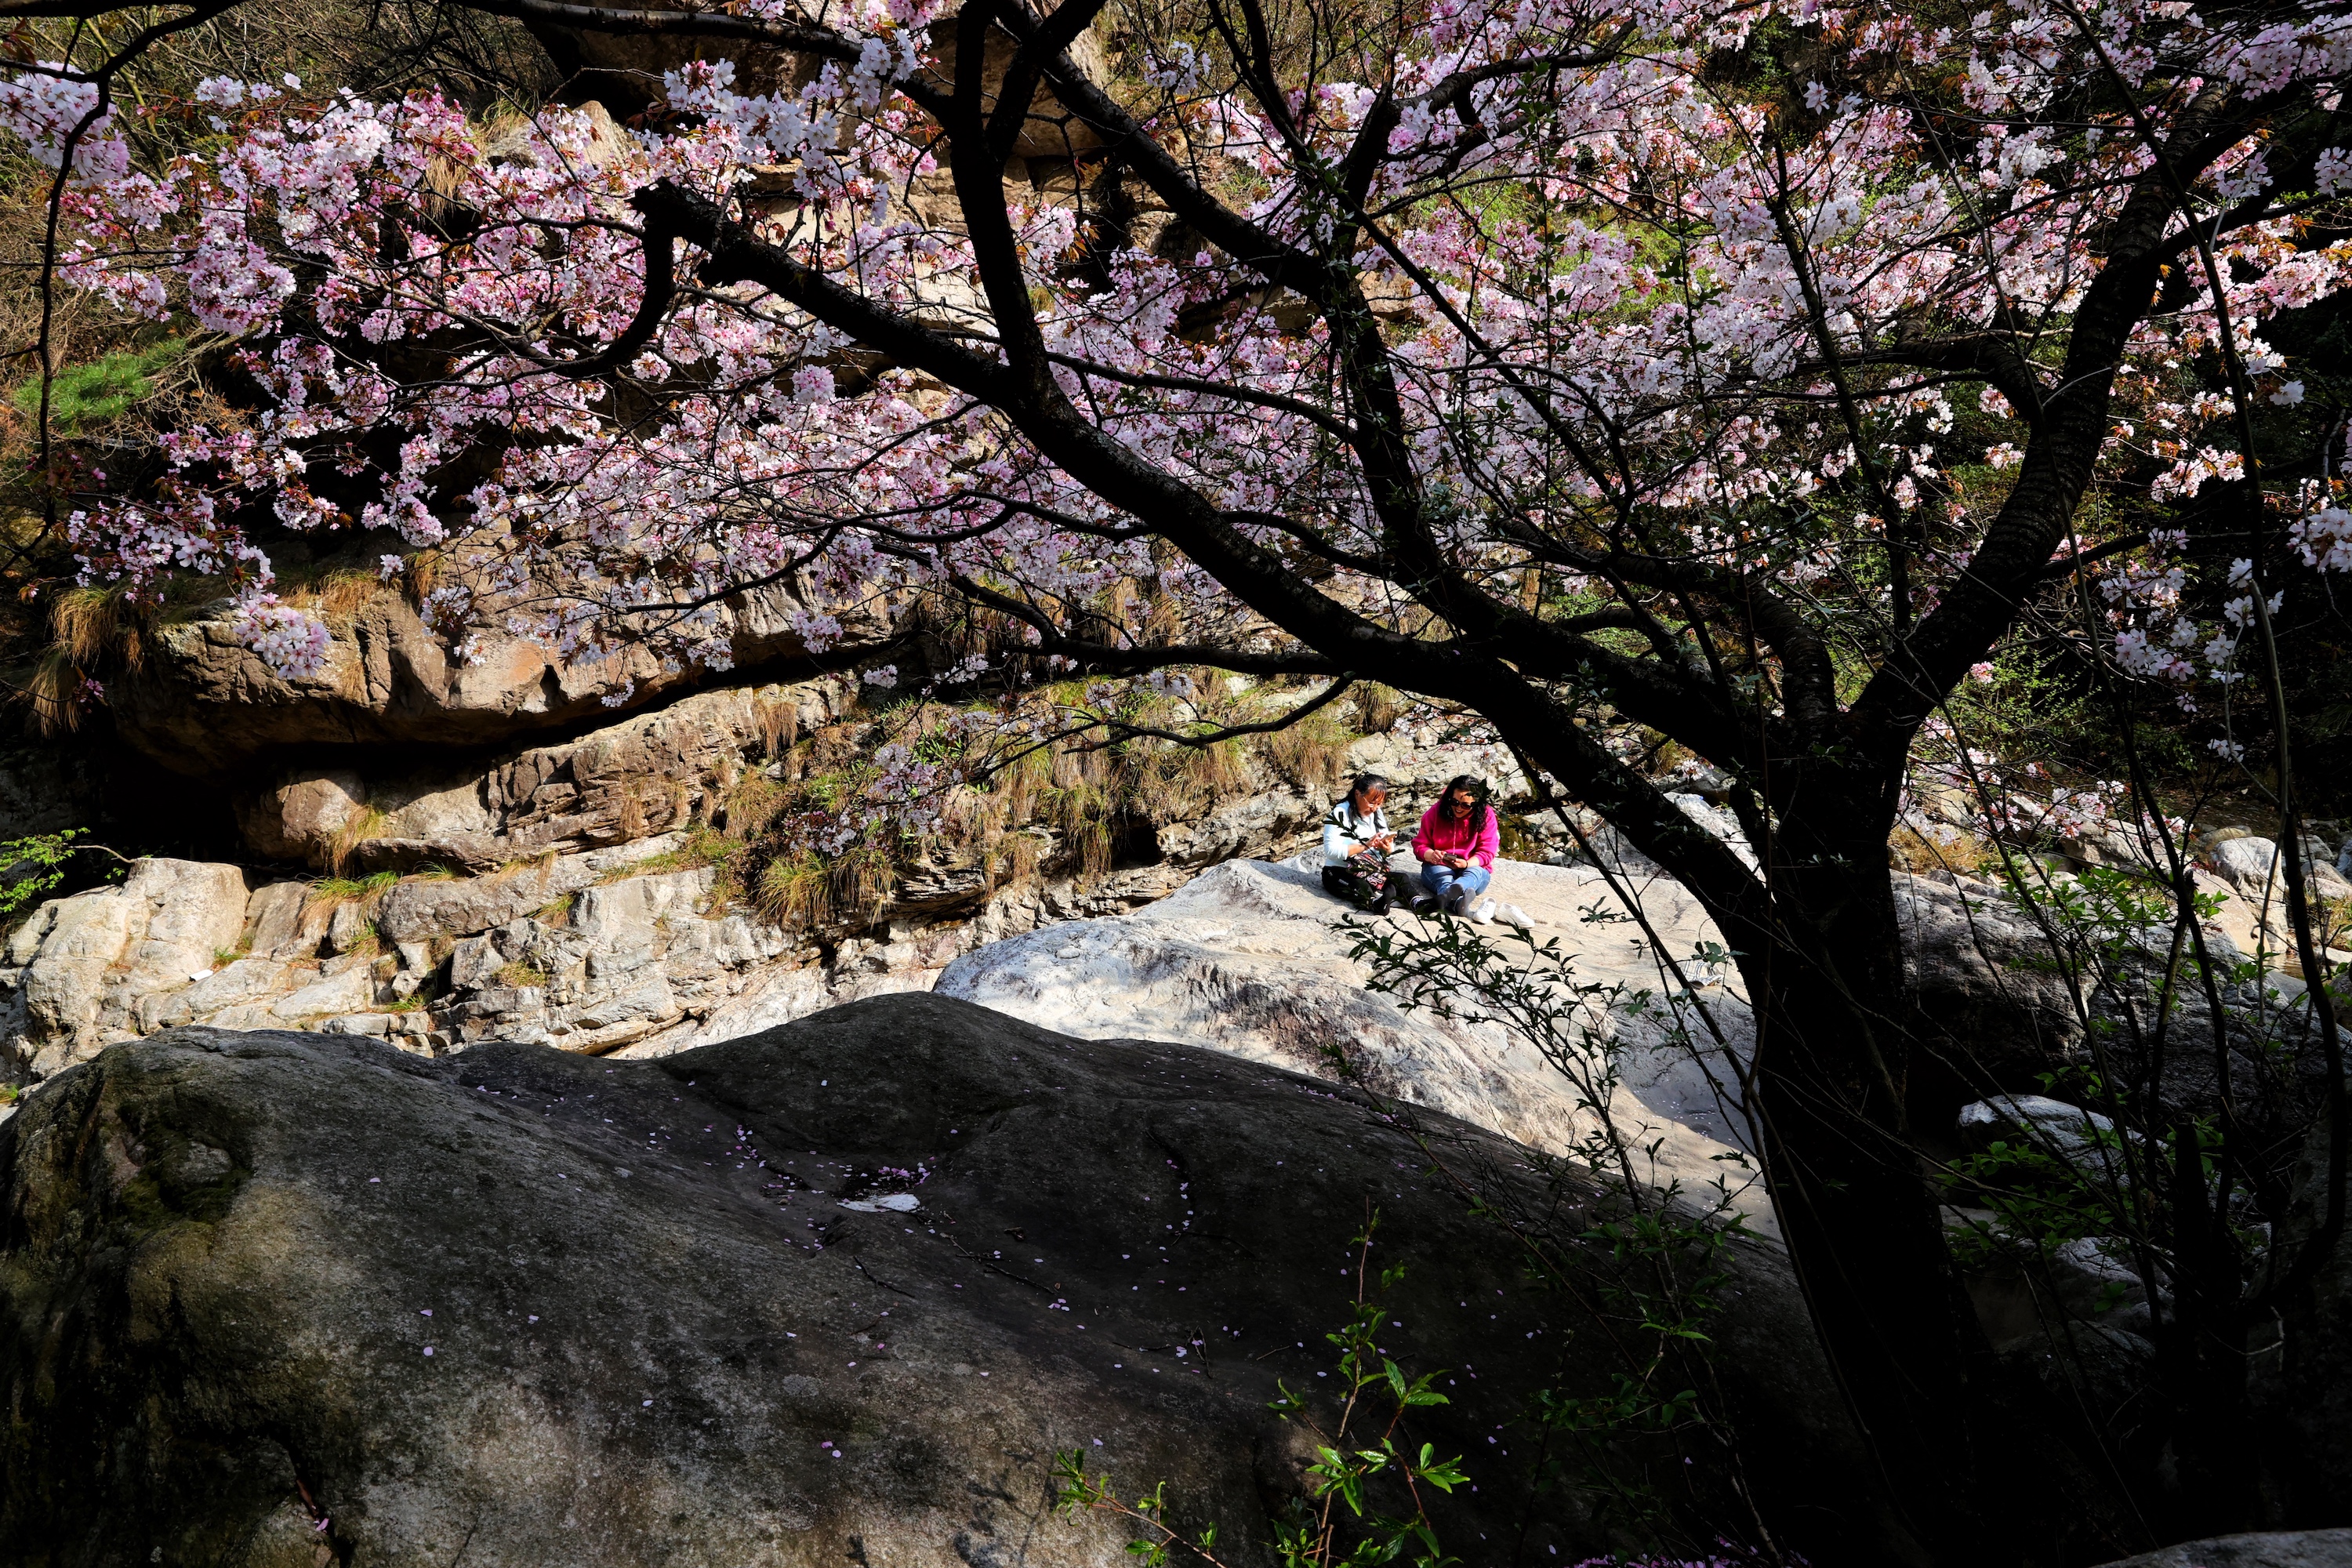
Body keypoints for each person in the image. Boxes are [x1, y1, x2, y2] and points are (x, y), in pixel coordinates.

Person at [1413, 775, 1499, 916]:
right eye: (1454, 802)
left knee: (1475, 873)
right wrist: (1431, 855)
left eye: (1465, 805)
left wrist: (1466, 864)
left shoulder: (1486, 815)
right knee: (1442, 877)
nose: (1458, 808)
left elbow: (1487, 852)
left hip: (1472, 866)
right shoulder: (1436, 811)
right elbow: (1420, 844)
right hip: (1440, 865)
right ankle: (1458, 902)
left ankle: (1455, 890)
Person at [1319, 773, 1397, 913]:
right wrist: (1364, 847)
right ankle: (1375, 903)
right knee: (1360, 886)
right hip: (1339, 871)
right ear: (1357, 794)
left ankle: (1417, 902)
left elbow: (1389, 850)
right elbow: (1330, 851)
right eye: (1371, 802)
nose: (1374, 808)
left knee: (1401, 879)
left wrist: (1386, 849)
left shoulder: (1377, 814)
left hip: (1368, 870)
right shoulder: (1340, 813)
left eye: (1379, 804)